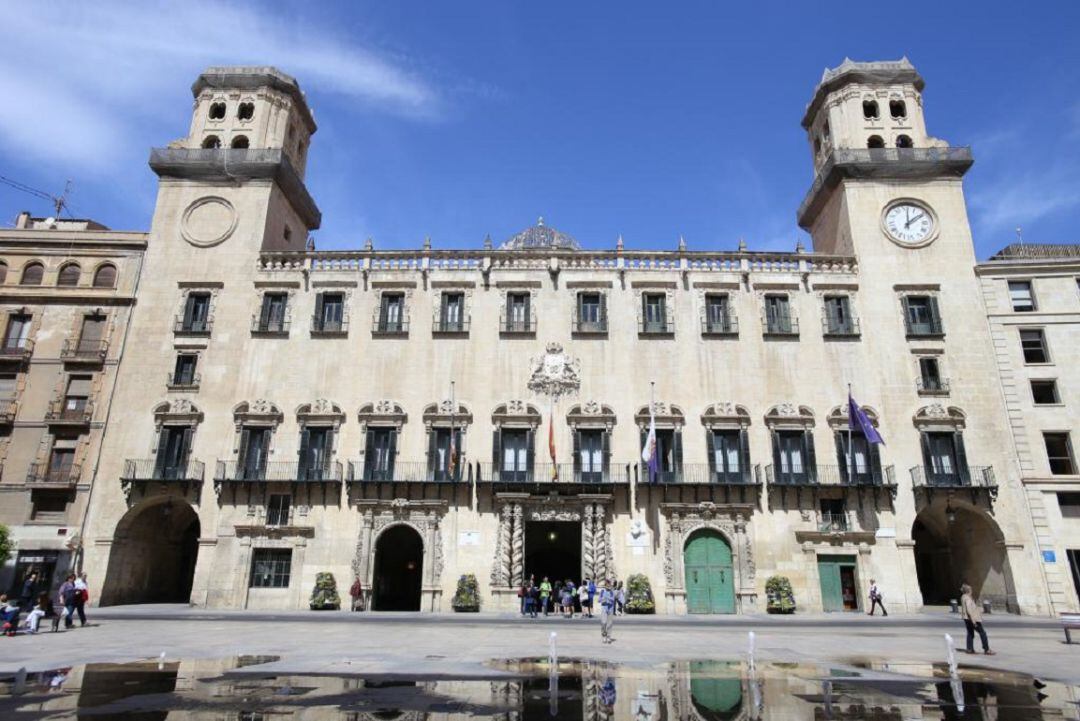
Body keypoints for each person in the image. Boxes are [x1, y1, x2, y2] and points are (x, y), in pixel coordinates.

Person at [960, 584, 994, 655]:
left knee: (970, 633)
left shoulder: (963, 597)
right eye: (971, 590)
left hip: (966, 618)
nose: (972, 591)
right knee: (982, 633)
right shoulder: (968, 598)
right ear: (968, 591)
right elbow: (969, 610)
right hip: (972, 618)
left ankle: (969, 649)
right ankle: (986, 649)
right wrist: (973, 621)